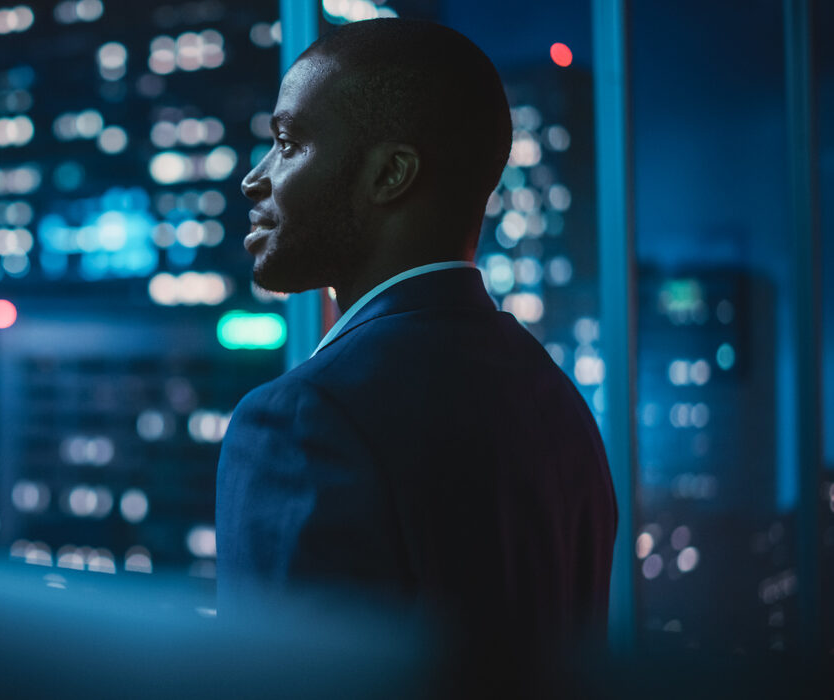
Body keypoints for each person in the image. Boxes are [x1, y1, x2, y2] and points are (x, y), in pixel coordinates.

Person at [214, 17, 617, 660]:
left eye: (288, 144)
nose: (254, 178)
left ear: (390, 175)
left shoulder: (302, 421)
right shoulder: (556, 399)